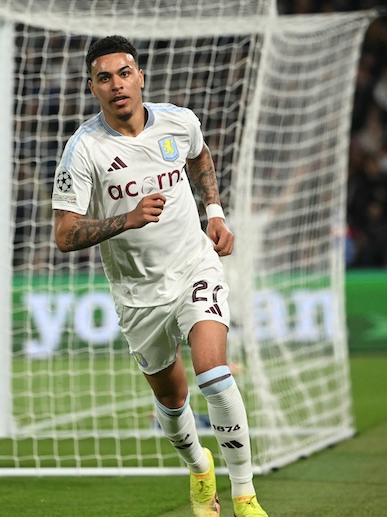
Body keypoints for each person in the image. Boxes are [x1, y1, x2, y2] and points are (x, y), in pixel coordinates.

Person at [51, 35, 268, 517]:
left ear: (140, 77)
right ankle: (199, 468)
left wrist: (214, 212)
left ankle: (245, 494)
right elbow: (64, 234)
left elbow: (200, 156)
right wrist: (126, 219)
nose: (116, 85)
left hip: (194, 267)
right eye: (104, 78)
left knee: (214, 374)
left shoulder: (178, 120)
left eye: (124, 73)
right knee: (172, 403)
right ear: (92, 88)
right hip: (138, 293)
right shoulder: (83, 151)